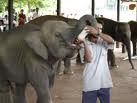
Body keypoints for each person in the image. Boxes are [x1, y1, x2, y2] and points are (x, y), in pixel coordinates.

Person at [77, 17, 114, 103]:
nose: (99, 30)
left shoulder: (104, 41)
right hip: (90, 84)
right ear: (90, 29)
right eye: (97, 28)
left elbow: (111, 41)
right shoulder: (83, 43)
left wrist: (98, 33)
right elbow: (88, 59)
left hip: (104, 82)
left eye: (100, 29)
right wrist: (84, 42)